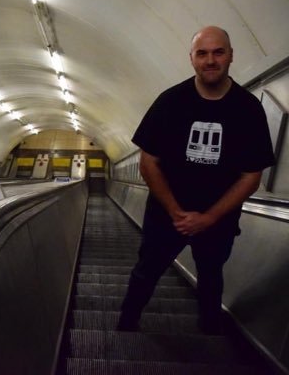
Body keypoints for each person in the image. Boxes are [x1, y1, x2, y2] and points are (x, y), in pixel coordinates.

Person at [117, 25, 275, 334]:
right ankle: (126, 324)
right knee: (146, 271)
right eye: (202, 53)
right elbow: (149, 162)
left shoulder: (248, 109)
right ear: (191, 59)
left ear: (230, 56)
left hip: (219, 220)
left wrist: (209, 217)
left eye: (218, 52)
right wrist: (176, 212)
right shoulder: (170, 102)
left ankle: (209, 331)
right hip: (166, 214)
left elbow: (251, 175)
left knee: (211, 275)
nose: (210, 60)